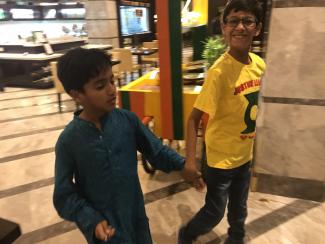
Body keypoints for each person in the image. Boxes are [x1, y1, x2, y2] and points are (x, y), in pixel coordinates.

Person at [52, 48, 185, 244]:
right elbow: (63, 196)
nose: (112, 90)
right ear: (77, 95)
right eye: (100, 86)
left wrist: (183, 165)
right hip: (106, 232)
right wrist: (91, 219)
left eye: (112, 81)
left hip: (137, 219)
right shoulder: (69, 141)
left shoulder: (127, 120)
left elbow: (156, 151)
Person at [179, 0, 265, 243]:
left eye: (247, 21)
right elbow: (193, 119)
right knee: (215, 211)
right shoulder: (218, 72)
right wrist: (190, 161)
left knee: (240, 208)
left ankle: (236, 238)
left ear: (257, 28)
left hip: (244, 156)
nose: (240, 27)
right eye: (233, 21)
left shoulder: (259, 65)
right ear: (223, 28)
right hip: (219, 160)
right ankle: (187, 233)